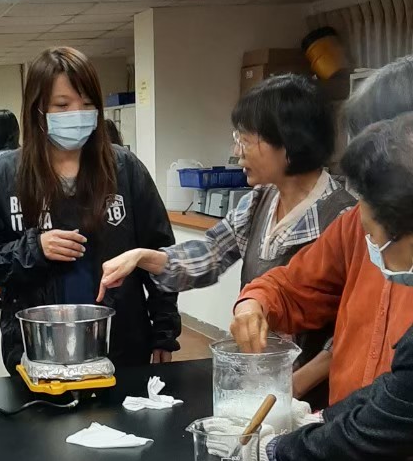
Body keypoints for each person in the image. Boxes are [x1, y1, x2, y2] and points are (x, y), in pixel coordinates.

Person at [98, 74, 353, 399]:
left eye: (246, 140)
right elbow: (210, 254)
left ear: (288, 143)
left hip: (315, 395)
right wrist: (142, 256)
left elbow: (353, 328)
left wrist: (295, 385)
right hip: (264, 382)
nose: (237, 152)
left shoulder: (343, 217)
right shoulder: (260, 201)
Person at [0, 46, 181, 373]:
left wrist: (164, 331)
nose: (77, 114)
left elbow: (159, 253)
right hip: (37, 350)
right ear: (38, 109)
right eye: (63, 105)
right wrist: (34, 249)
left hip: (119, 345)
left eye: (88, 104)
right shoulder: (4, 175)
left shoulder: (124, 169)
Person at [222, 114, 413, 461]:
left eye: (376, 237)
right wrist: (324, 419)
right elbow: (296, 283)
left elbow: (391, 411)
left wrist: (277, 451)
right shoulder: (355, 224)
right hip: (350, 450)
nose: (371, 246)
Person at [231, 56, 413, 404]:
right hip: (345, 422)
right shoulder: (353, 225)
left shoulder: (338, 209)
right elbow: (294, 284)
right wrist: (254, 303)